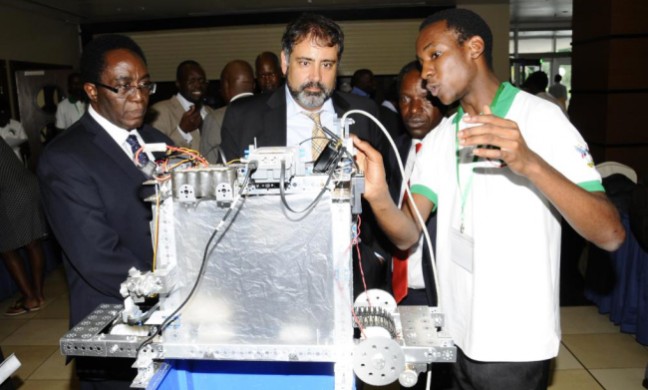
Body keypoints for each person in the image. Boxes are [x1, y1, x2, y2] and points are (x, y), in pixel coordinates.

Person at [352, 8, 625, 390]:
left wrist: (529, 163)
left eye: (435, 55)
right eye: (420, 61)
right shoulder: (439, 137)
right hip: (456, 330)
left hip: (514, 342)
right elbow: (406, 234)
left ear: (474, 48)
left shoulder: (541, 119)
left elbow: (610, 232)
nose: (426, 71)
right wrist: (378, 194)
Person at [221, 13, 390, 297]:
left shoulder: (364, 114)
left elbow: (384, 194)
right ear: (285, 62)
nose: (315, 78)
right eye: (304, 63)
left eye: (327, 65)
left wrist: (376, 255)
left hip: (349, 270)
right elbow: (227, 203)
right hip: (270, 272)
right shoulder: (244, 117)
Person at [38, 34, 173, 389]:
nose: (139, 96)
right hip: (117, 324)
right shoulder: (65, 158)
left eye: (145, 85)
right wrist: (175, 288)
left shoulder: (159, 140)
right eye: (123, 86)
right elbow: (98, 257)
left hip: (175, 317)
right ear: (92, 91)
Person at [388, 60, 447, 308]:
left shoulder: (455, 149)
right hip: (394, 289)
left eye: (425, 99)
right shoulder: (394, 149)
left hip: (439, 293)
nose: (413, 110)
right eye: (405, 100)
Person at [0, 137, 47, 316]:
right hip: (29, 184)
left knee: (6, 248)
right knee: (33, 243)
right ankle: (38, 295)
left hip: (9, 193)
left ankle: (30, 298)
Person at [149, 60, 214, 150]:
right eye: (191, 81)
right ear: (178, 84)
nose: (198, 85)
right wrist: (182, 131)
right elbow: (156, 151)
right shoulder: (160, 112)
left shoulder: (211, 112)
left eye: (201, 81)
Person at [200, 60, 255, 164]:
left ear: (225, 85)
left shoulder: (215, 118)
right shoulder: (270, 112)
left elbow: (206, 165)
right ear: (254, 85)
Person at [0, 98, 28, 163]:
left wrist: (21, 146)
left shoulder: (17, 125)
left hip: (17, 162)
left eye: (4, 112)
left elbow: (25, 144)